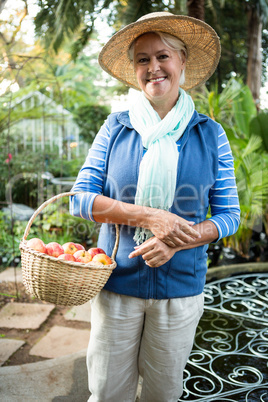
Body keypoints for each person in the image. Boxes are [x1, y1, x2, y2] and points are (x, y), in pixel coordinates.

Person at [70, 11, 240, 402]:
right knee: (108, 393)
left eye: (163, 56)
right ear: (134, 70)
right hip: (117, 284)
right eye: (142, 59)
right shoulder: (116, 127)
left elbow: (230, 215)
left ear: (182, 61)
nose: (153, 67)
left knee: (163, 395)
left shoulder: (210, 134)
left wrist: (179, 240)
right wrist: (150, 216)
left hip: (180, 290)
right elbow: (80, 199)